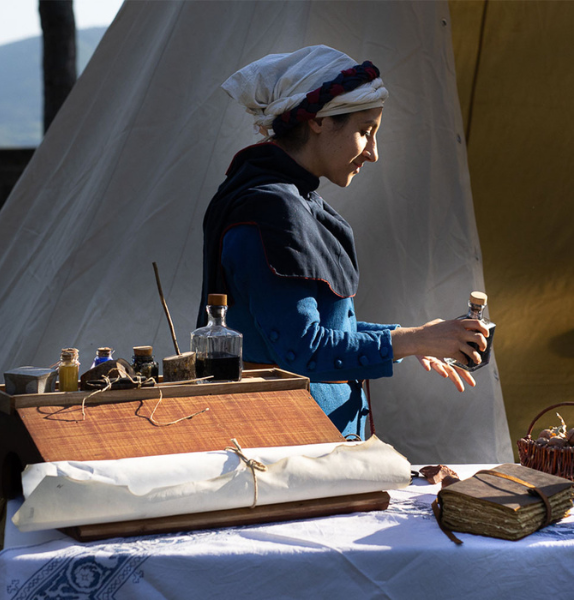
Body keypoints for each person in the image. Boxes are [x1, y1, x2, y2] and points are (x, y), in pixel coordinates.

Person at [198, 45, 489, 439]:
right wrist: (414, 340)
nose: (373, 153)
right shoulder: (269, 207)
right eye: (364, 131)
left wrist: (415, 338)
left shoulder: (287, 199)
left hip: (313, 445)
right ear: (319, 121)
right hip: (289, 447)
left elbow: (320, 325)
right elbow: (302, 350)